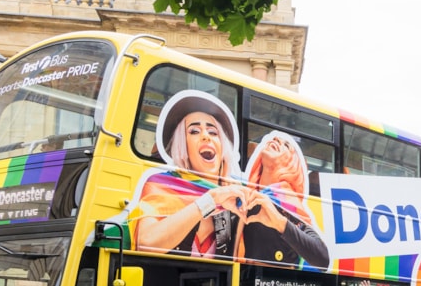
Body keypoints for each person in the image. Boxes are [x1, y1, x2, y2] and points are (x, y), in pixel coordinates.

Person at [132, 90, 253, 257]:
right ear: (183, 145)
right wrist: (210, 200)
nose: (206, 137)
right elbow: (145, 243)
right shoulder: (162, 184)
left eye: (213, 132)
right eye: (194, 131)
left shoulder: (237, 196)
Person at [240, 129, 330, 268]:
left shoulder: (293, 216)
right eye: (275, 139)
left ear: (292, 165)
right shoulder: (242, 201)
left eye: (286, 145)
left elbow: (323, 259)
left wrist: (279, 222)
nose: (277, 140)